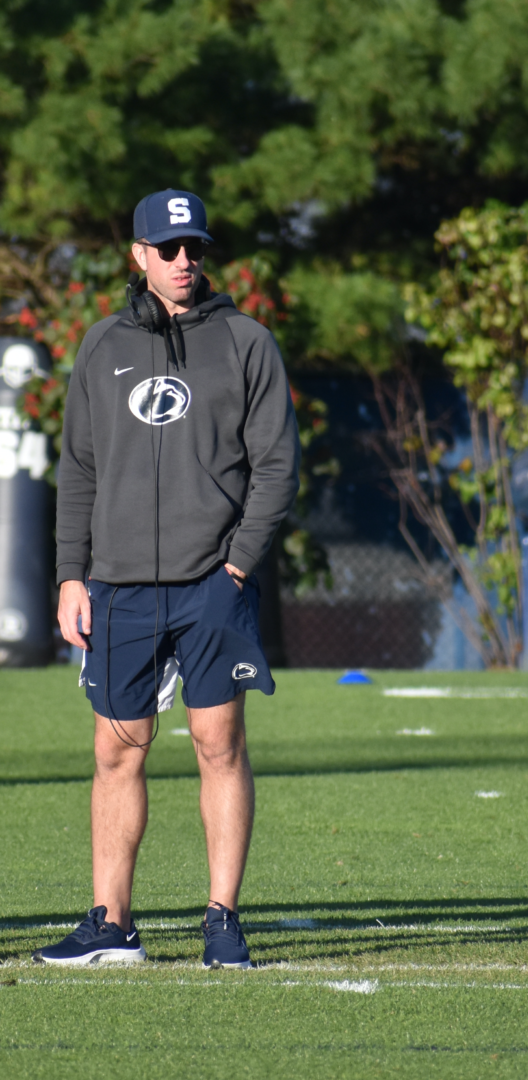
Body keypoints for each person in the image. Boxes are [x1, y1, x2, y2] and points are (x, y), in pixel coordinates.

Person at [36, 189, 300, 969]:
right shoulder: (101, 344)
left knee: (219, 742)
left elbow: (276, 470)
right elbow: (78, 469)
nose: (186, 261)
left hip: (213, 583)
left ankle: (222, 919)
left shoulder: (247, 342)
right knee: (118, 751)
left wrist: (238, 565)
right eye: (170, 248)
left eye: (196, 248)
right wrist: (69, 576)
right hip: (117, 587)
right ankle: (111, 925)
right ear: (138, 255)